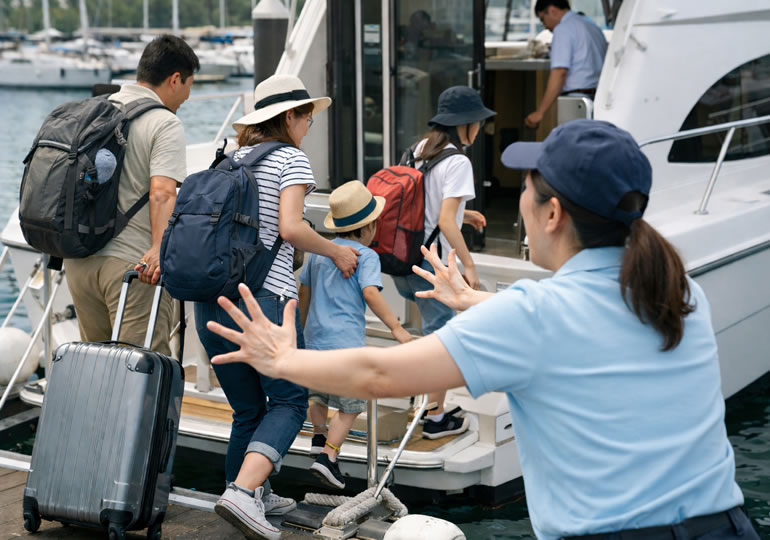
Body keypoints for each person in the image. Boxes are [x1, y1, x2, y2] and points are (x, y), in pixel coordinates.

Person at [205, 120, 759, 540]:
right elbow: (580, 339)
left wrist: (279, 359)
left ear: (552, 214)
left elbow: (378, 373)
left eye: (527, 188)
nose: (519, 199)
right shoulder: (677, 290)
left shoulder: (534, 314)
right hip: (725, 524)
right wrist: (477, 302)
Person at [194, 74, 359, 540]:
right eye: (307, 116)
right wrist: (336, 250)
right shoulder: (290, 158)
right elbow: (290, 228)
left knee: (247, 409)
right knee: (289, 399)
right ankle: (244, 494)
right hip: (266, 302)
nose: (309, 124)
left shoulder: (228, 157)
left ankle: (251, 493)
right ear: (288, 117)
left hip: (211, 304)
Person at [65, 35, 199, 357]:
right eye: (189, 85)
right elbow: (163, 192)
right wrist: (158, 248)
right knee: (141, 378)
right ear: (175, 79)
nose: (187, 96)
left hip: (79, 263)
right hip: (134, 269)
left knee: (95, 371)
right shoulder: (164, 122)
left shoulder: (96, 110)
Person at [392, 85, 495, 439]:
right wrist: (470, 266)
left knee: (427, 335)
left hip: (403, 262)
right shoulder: (458, 161)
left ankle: (420, 400)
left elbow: (427, 205)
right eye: (478, 123)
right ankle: (434, 416)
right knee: (443, 341)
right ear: (465, 125)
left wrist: (468, 214)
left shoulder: (418, 149)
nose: (479, 129)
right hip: (432, 266)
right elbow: (445, 221)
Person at [299, 180, 412, 490]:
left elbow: (304, 292)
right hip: (345, 346)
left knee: (317, 393)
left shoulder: (320, 254)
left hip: (315, 340)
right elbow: (371, 294)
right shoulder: (367, 256)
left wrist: (302, 331)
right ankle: (329, 457)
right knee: (353, 404)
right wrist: (397, 328)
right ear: (368, 228)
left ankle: (319, 436)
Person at [525, 0, 607, 129]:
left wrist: (540, 112)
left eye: (542, 19)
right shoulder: (592, 26)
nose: (545, 26)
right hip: (599, 99)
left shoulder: (563, 30)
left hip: (576, 101)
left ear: (552, 10)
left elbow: (560, 73)